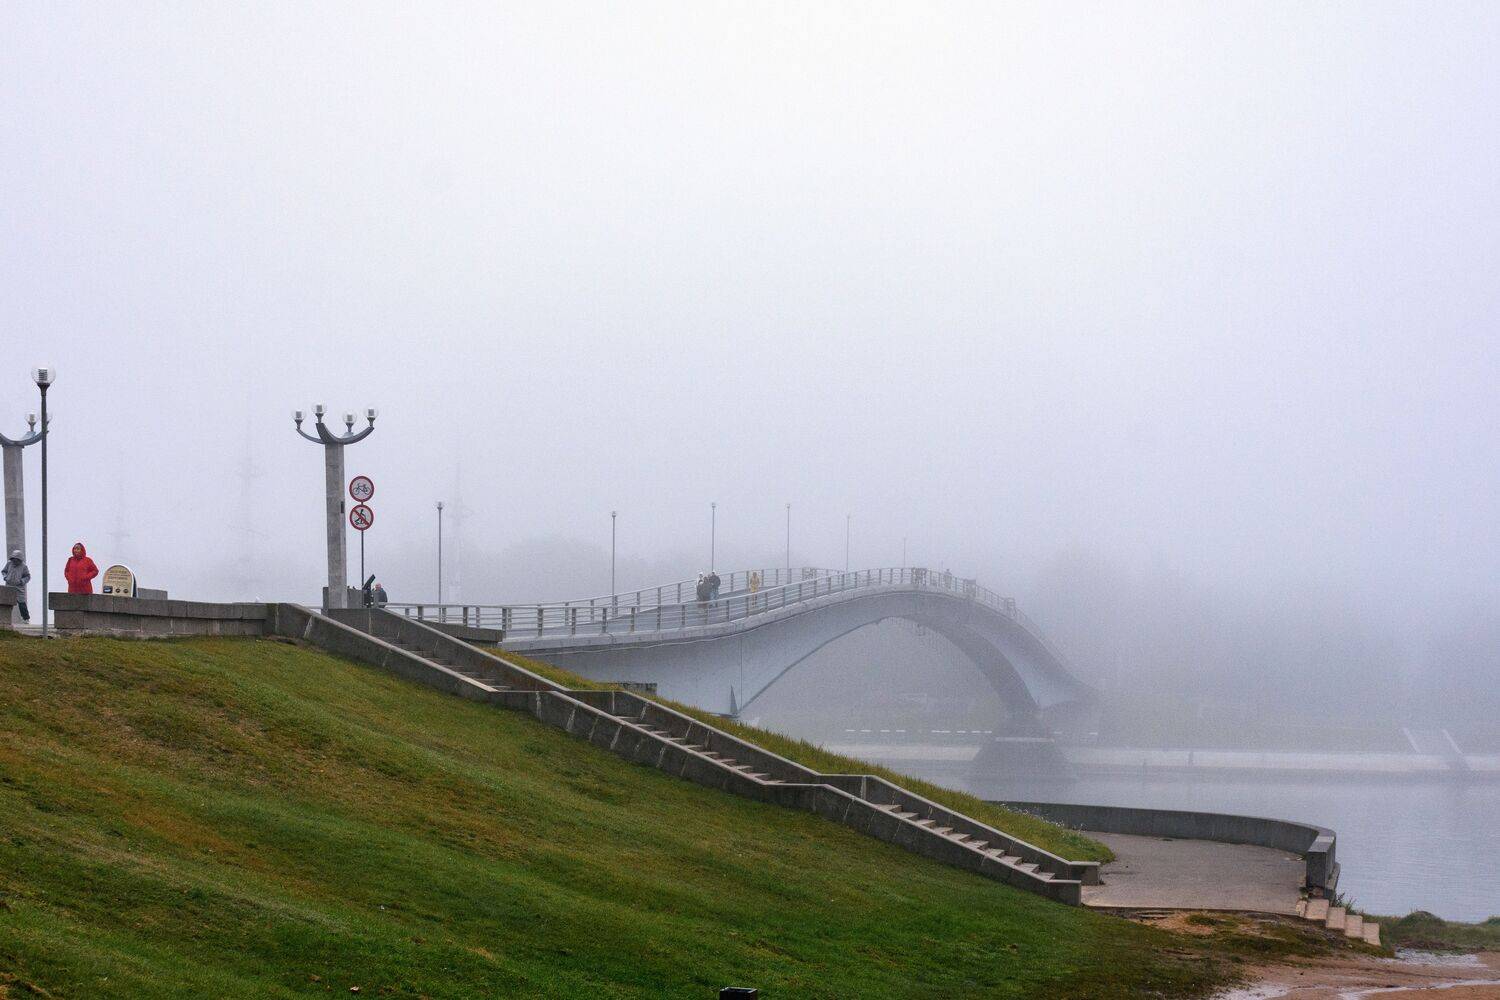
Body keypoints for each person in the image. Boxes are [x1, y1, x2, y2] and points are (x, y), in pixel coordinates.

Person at [2, 550, 30, 621]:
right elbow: (4, 571)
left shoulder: (24, 566)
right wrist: (5, 577)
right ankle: (5, 618)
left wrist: (22, 581)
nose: (15, 561)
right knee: (7, 602)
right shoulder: (9, 563)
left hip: (19, 587)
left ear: (20, 559)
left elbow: (27, 576)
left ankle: (26, 618)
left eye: (16, 559)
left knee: (22, 603)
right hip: (9, 586)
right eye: (13, 559)